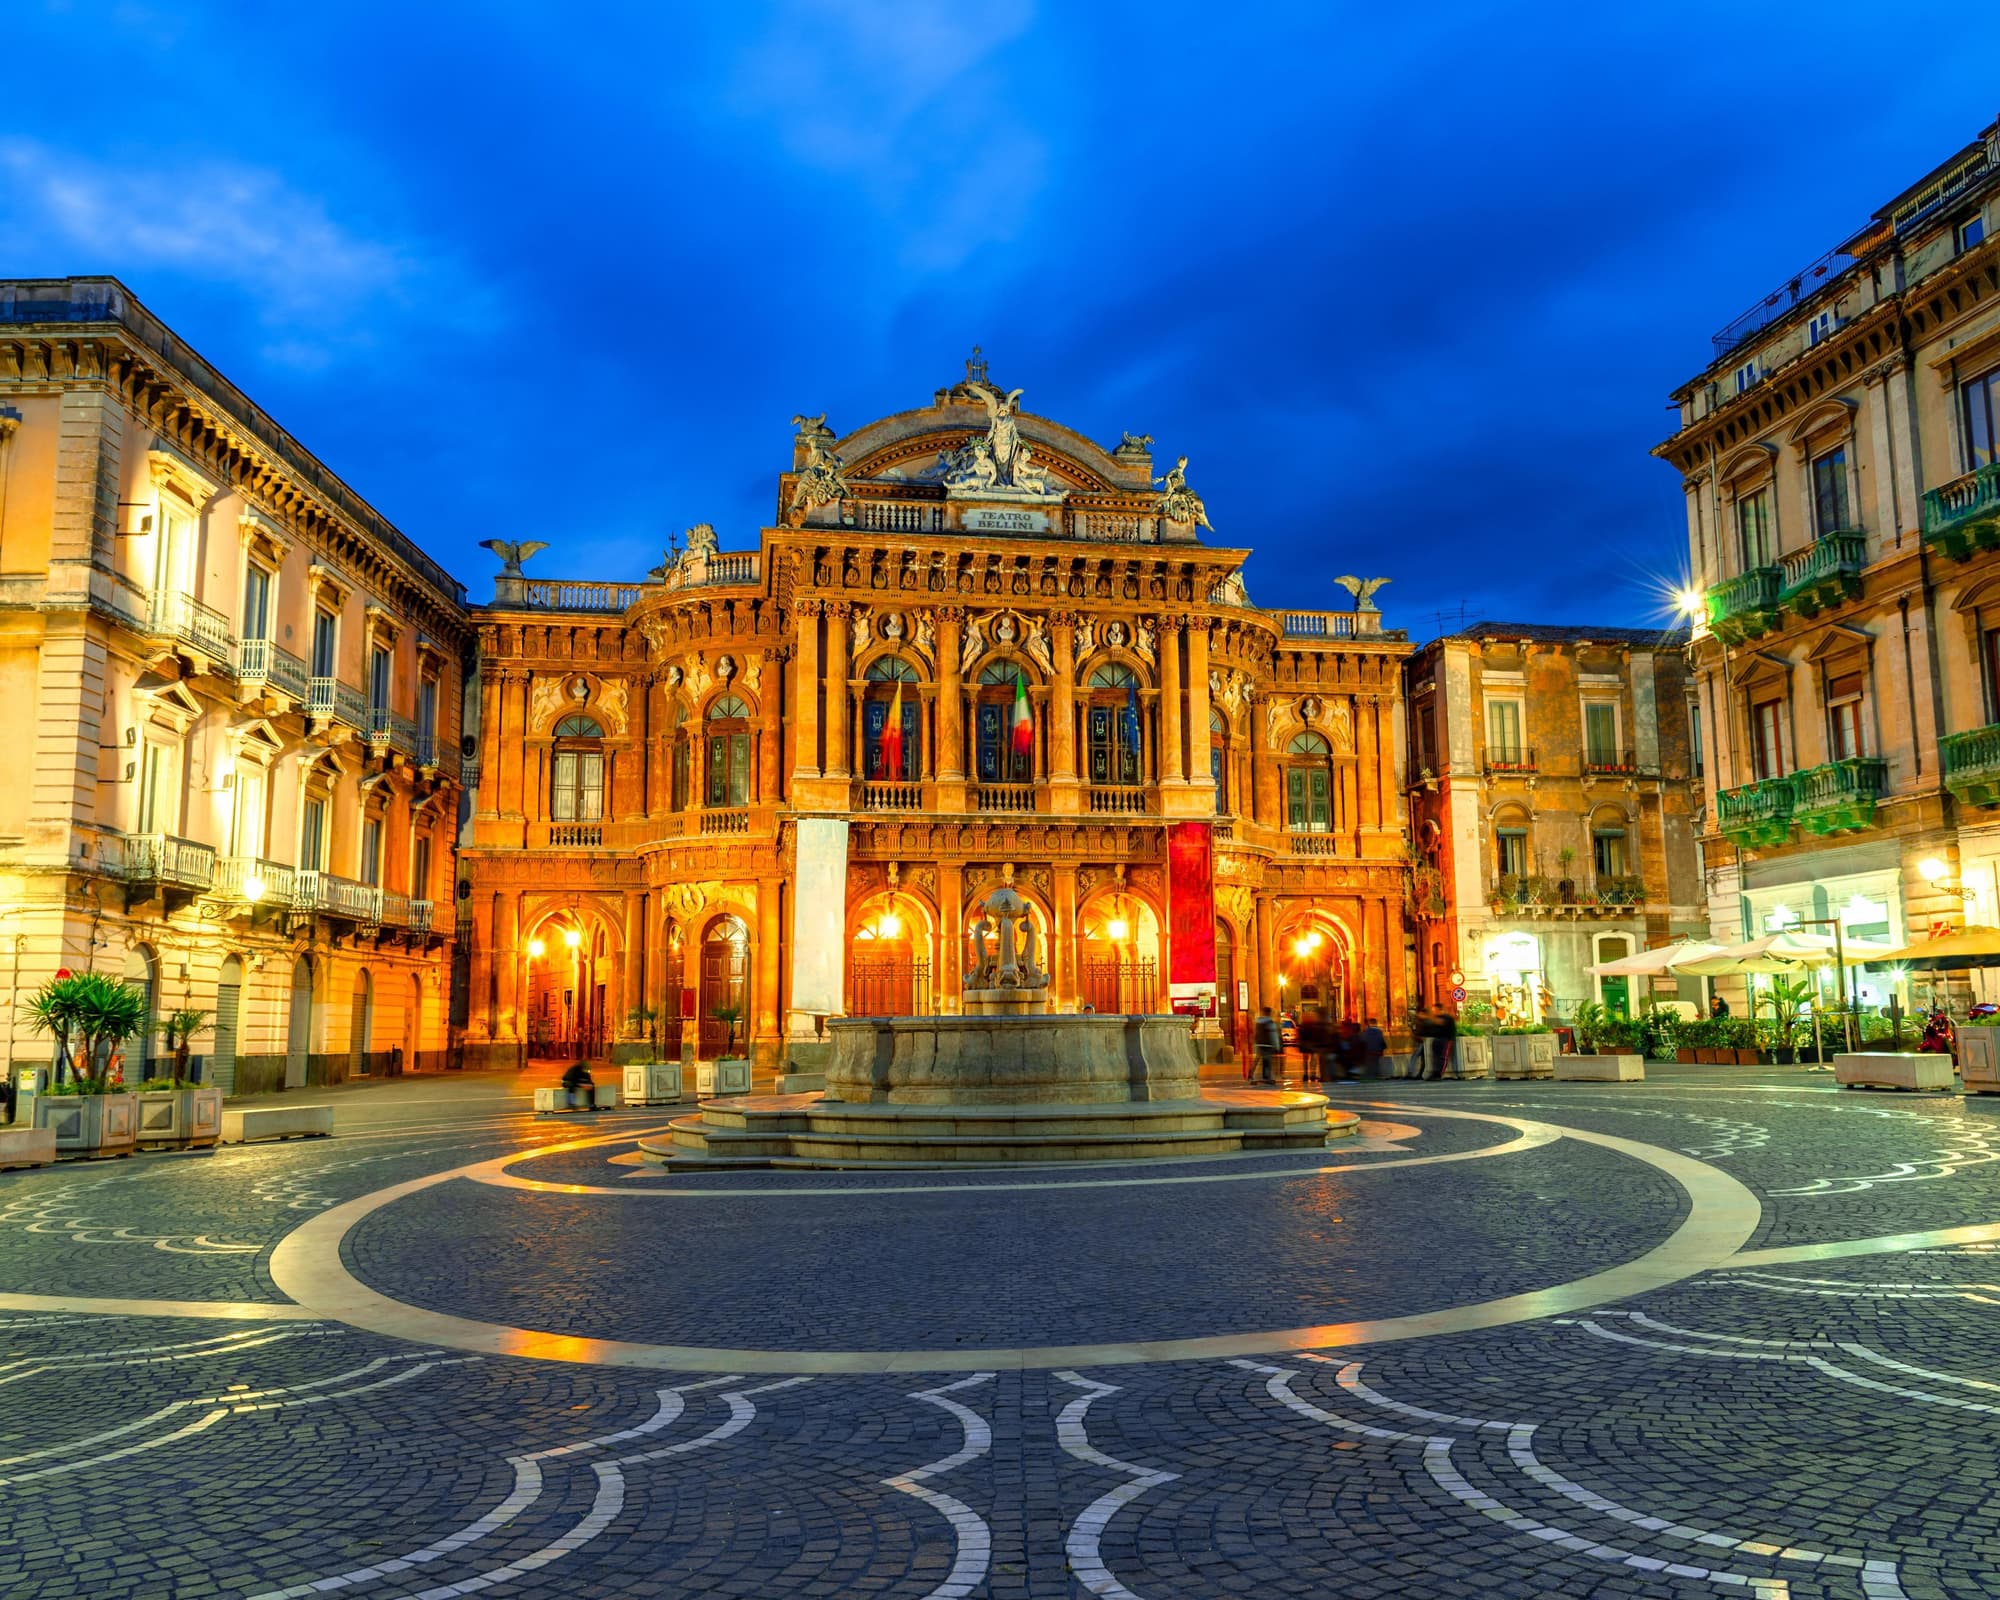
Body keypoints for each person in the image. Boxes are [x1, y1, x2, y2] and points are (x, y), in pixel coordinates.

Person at [1253, 1006, 1282, 1087]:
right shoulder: (1270, 1023)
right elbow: (1273, 1035)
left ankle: (1253, 1076)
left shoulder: (1258, 1022)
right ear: (1269, 1013)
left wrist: (1256, 1042)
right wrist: (1277, 1046)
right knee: (1267, 1061)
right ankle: (1266, 1077)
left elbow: (1256, 1033)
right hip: (1268, 1044)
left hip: (1259, 1044)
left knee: (1257, 1060)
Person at [1426, 1009, 1459, 1080]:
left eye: (1435, 1009)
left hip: (1446, 1039)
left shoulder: (1447, 1018)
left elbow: (1440, 1022)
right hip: (1437, 1039)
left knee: (1443, 1057)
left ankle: (1439, 1074)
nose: (1434, 1011)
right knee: (1435, 1057)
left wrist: (1430, 1017)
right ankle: (1434, 1073)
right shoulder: (1438, 1018)